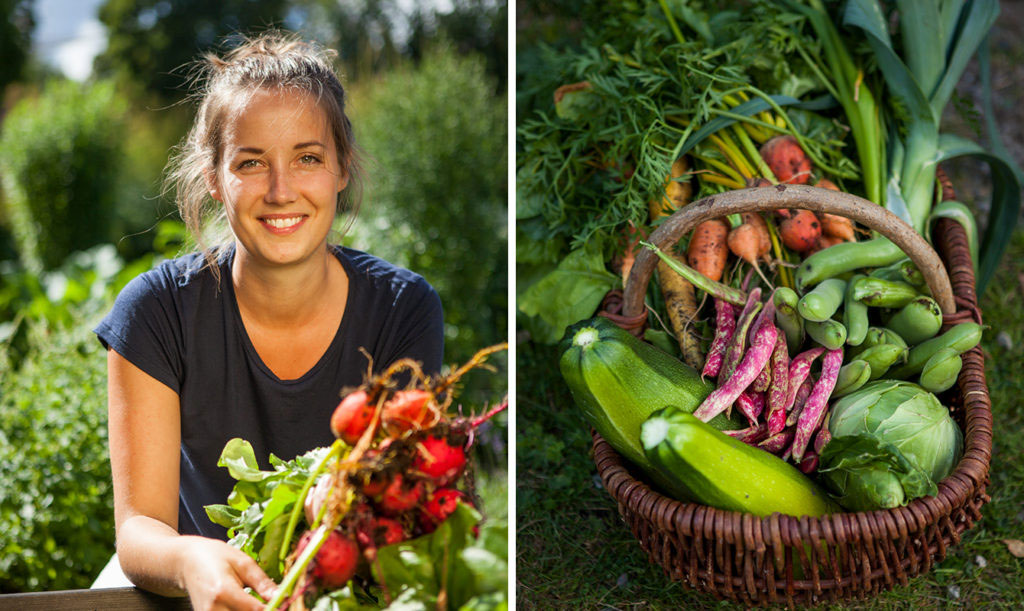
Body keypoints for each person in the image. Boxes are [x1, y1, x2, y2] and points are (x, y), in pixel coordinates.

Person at [94, 32, 444, 610]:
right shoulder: (155, 311)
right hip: (188, 581)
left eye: (308, 158)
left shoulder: (402, 309)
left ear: (341, 170)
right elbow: (139, 532)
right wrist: (189, 559)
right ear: (213, 177)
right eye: (251, 163)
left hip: (343, 578)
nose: (281, 191)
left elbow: (398, 504)